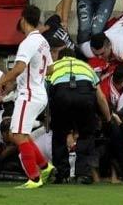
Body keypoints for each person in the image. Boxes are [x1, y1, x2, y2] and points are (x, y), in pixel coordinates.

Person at [0, 5, 55, 189]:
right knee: (21, 134)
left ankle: (34, 178)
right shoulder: (43, 41)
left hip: (29, 95)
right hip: (39, 93)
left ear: (24, 19)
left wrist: (1, 81)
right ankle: (44, 166)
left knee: (17, 135)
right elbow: (50, 69)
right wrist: (14, 84)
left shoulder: (28, 42)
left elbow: (19, 67)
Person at [47, 47, 100, 184]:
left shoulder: (53, 66)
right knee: (86, 135)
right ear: (75, 57)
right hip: (85, 97)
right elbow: (100, 95)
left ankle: (62, 175)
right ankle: (83, 174)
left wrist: (49, 119)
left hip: (61, 97)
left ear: (59, 57)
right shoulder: (87, 67)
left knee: (59, 136)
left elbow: (46, 93)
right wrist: (106, 115)